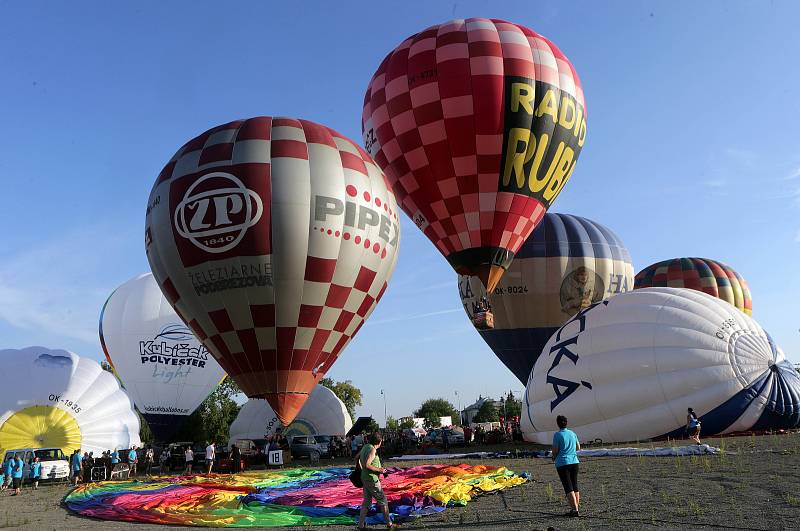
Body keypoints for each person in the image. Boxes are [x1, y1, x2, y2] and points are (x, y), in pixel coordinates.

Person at [356, 433, 397, 530]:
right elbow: (367, 464)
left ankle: (361, 526)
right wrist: (380, 470)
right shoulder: (372, 449)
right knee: (383, 501)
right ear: (378, 442)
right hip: (371, 479)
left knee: (366, 503)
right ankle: (389, 525)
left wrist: (360, 469)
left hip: (365, 477)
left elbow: (357, 458)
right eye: (381, 441)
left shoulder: (366, 446)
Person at [551, 415, 581, 517]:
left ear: (558, 423)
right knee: (575, 486)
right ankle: (576, 507)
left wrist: (553, 457)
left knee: (568, 487)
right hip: (574, 461)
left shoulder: (557, 435)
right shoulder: (572, 433)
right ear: (566, 423)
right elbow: (578, 447)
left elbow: (555, 451)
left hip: (563, 463)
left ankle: (575, 510)